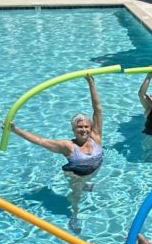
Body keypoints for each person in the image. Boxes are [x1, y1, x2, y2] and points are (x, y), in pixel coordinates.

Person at [8, 75, 103, 234]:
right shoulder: (68, 146)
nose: (84, 130)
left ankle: (86, 184)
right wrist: (15, 130)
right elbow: (41, 141)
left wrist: (91, 83)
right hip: (76, 175)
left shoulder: (96, 137)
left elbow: (97, 109)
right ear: (73, 130)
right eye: (79, 127)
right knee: (76, 196)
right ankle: (74, 215)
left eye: (86, 126)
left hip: (92, 171)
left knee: (86, 182)